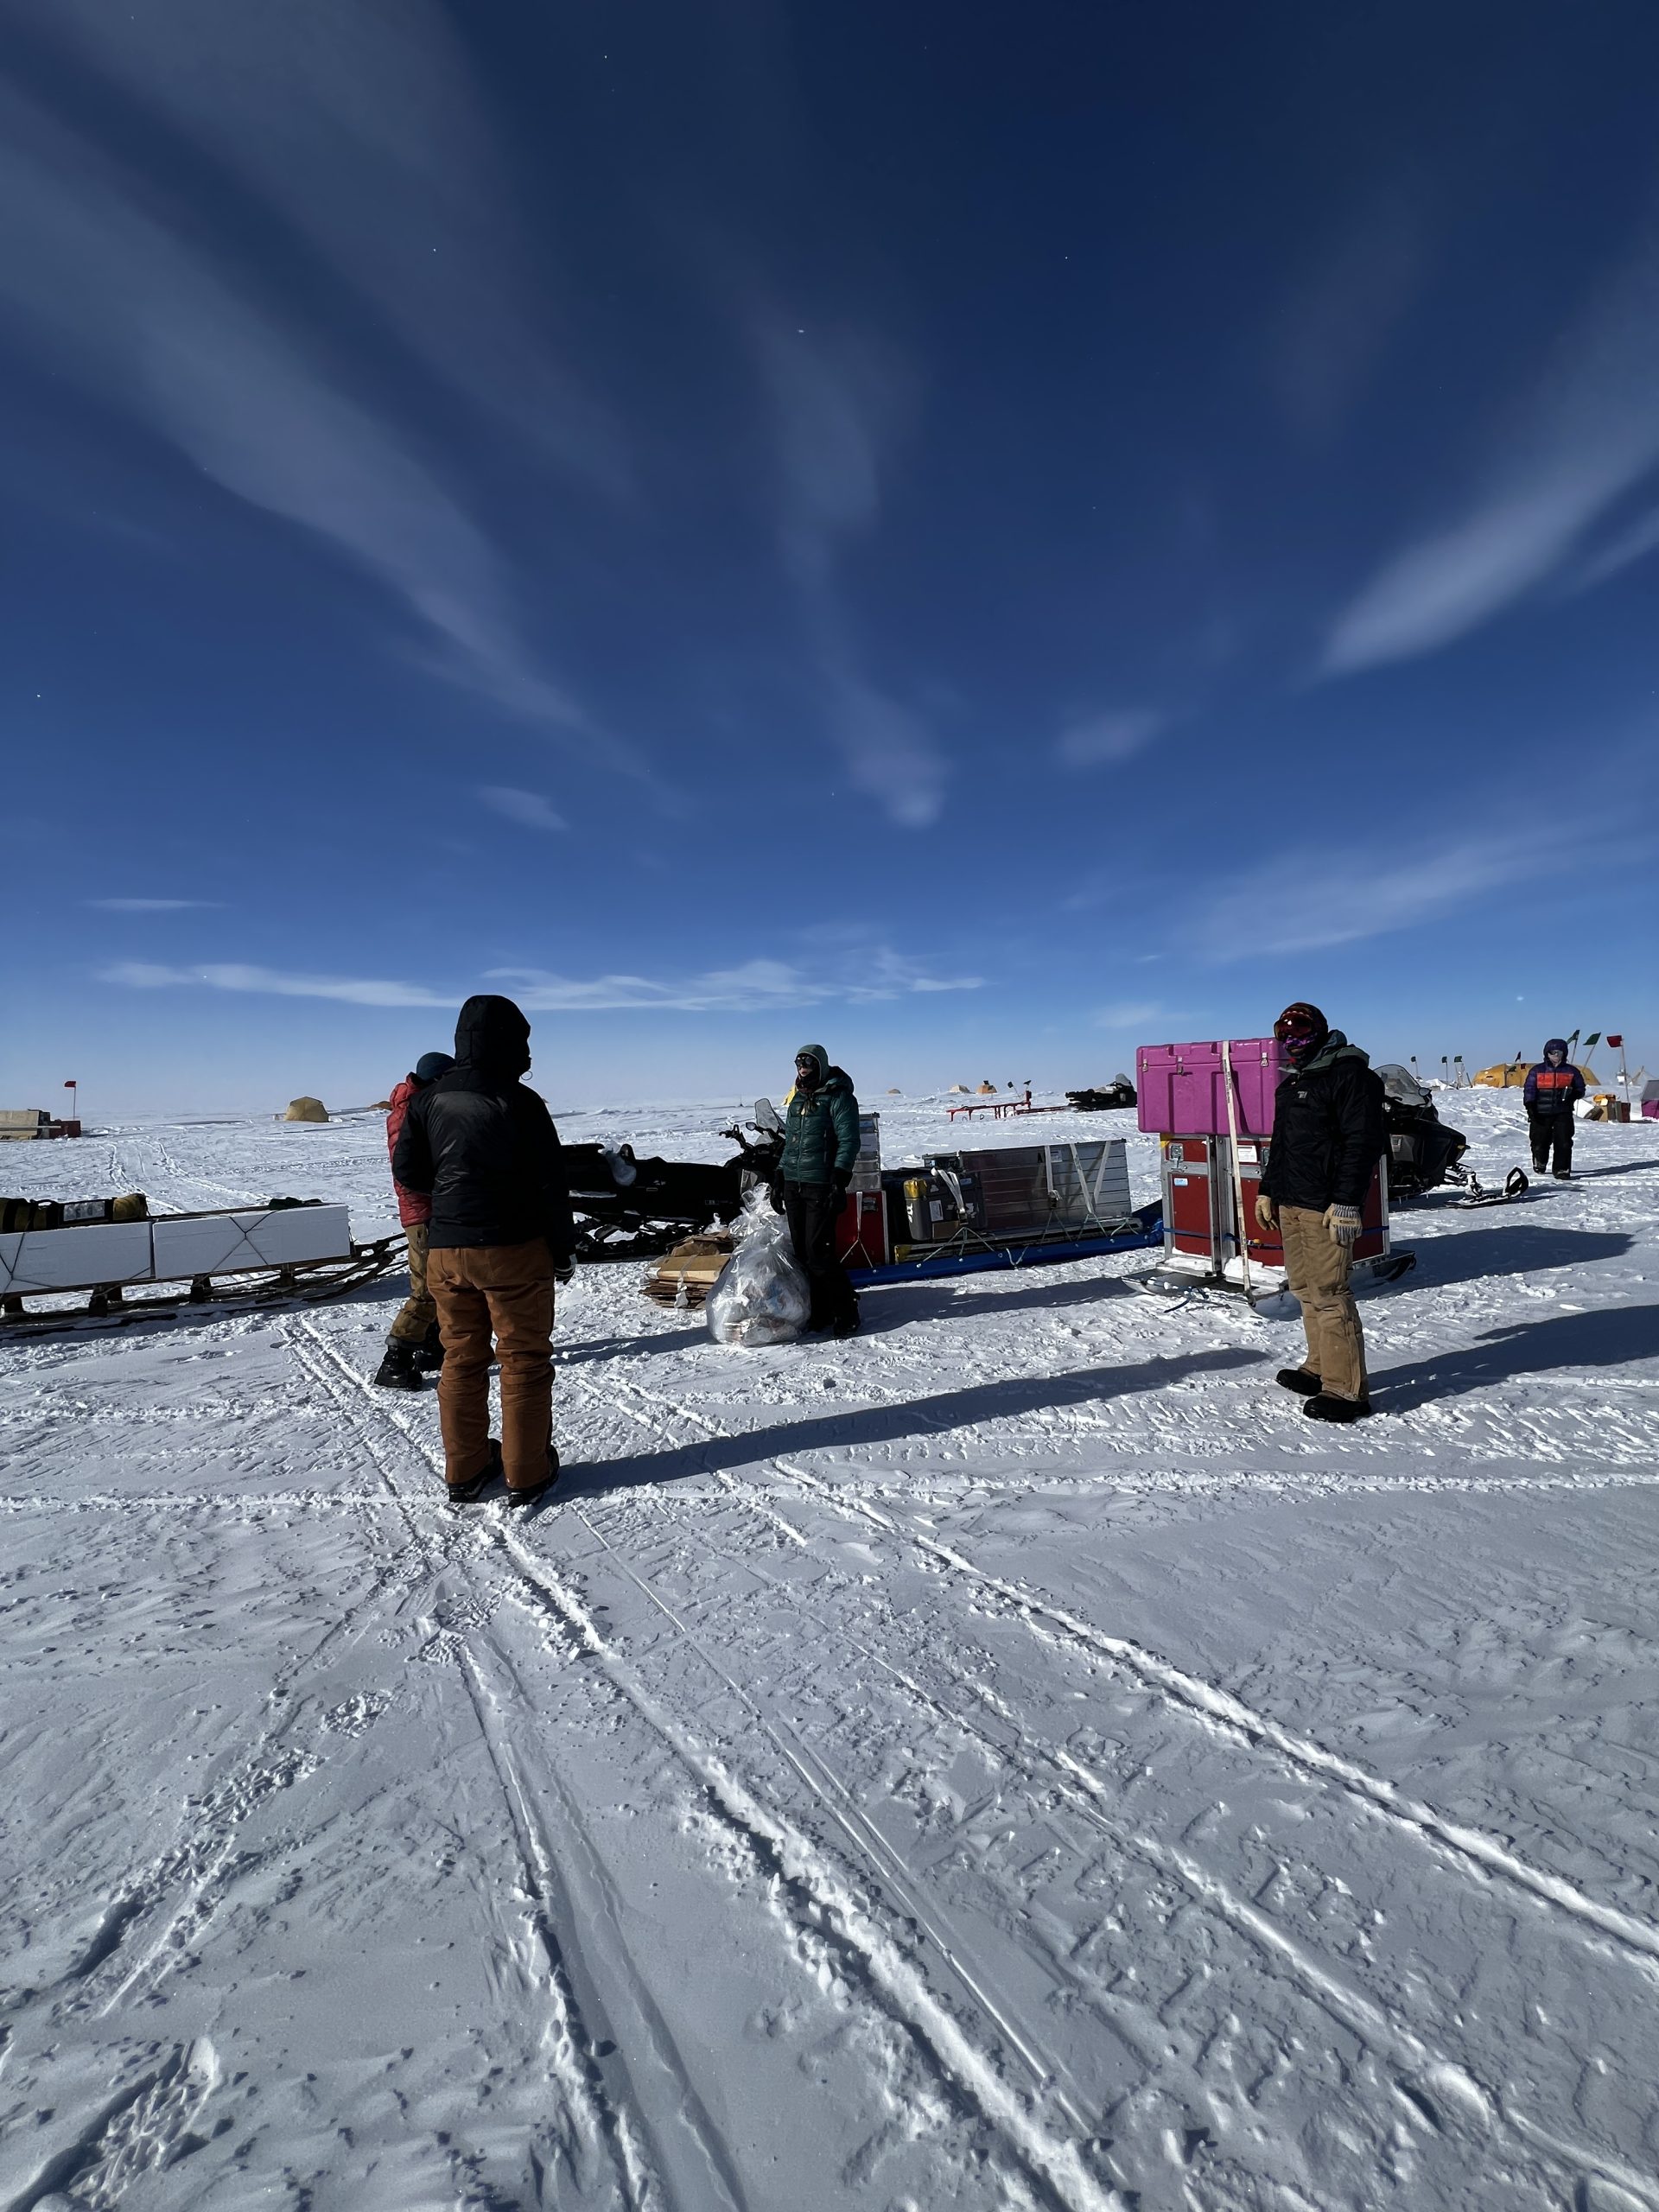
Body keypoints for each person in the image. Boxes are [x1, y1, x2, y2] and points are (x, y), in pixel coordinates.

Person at [391, 995, 575, 1505]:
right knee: (522, 1360)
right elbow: (551, 1185)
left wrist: (453, 1191)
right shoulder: (520, 1102)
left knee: (461, 1358)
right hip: (512, 1249)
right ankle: (527, 1472)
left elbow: (408, 1170)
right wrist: (562, 1249)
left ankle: (466, 1469)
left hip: (448, 1251)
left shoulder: (428, 1099)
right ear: (511, 1043)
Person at [1255, 1001, 1386, 1423]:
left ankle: (1347, 1391)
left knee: (1330, 1294)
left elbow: (1360, 1143)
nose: (1292, 1038)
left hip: (1327, 1207)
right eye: (1284, 1032)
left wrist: (1347, 1201)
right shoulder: (1293, 1083)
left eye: (1301, 1029)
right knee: (1305, 1290)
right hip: (1291, 1202)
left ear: (1321, 1030)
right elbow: (1282, 1145)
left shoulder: (1351, 1076)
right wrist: (1267, 1191)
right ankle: (1319, 1367)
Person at [373, 1051, 454, 1389]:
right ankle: (394, 1362)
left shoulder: (418, 1108)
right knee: (425, 1289)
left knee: (442, 1280)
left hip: (430, 1207)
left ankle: (433, 1349)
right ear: (437, 1080)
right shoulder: (412, 1114)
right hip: (422, 1210)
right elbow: (411, 1170)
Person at [779, 1043, 861, 1338]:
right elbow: (790, 1143)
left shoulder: (839, 1097)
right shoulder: (797, 1099)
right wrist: (780, 1176)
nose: (803, 1067)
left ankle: (847, 1308)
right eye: (799, 1063)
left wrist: (839, 1180)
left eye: (809, 1063)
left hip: (821, 1184)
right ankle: (821, 1310)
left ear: (821, 1065)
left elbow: (849, 1141)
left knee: (819, 1254)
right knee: (802, 1253)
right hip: (794, 1183)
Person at [1522, 1038, 1585, 1179]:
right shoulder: (1537, 1071)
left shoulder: (1572, 1071)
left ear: (1564, 1053)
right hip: (1540, 1112)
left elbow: (1580, 1088)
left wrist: (1573, 1095)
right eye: (1552, 1052)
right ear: (1547, 1053)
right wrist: (1530, 1107)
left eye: (1559, 1052)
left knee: (1564, 1141)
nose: (1556, 1055)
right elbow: (1529, 1089)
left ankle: (1562, 1169)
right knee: (1539, 1141)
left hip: (1562, 1112)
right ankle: (1540, 1161)